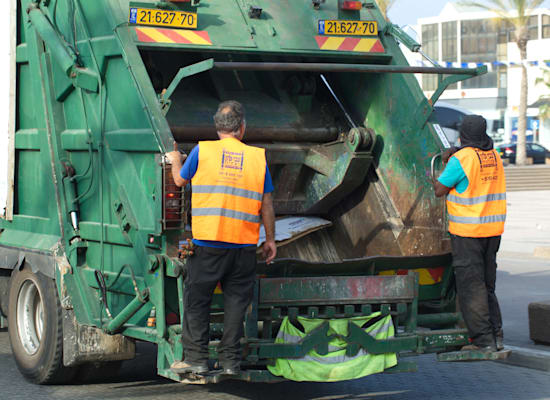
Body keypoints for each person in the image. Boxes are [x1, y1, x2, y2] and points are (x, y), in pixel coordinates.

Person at [165, 100, 277, 375]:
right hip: (244, 246)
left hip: (208, 245)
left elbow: (179, 181)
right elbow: (267, 204)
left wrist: (175, 158)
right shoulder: (257, 158)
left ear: (217, 128)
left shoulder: (203, 151)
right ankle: (229, 362)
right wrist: (270, 240)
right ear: (242, 128)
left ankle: (197, 359)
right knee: (237, 305)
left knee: (197, 300)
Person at [433, 114, 506, 353]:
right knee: (487, 285)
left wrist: (445, 161)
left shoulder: (461, 159)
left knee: (471, 287)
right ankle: (496, 334)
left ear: (463, 135)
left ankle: (483, 342)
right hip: (493, 231)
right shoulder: (495, 156)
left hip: (468, 233)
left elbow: (439, 190)